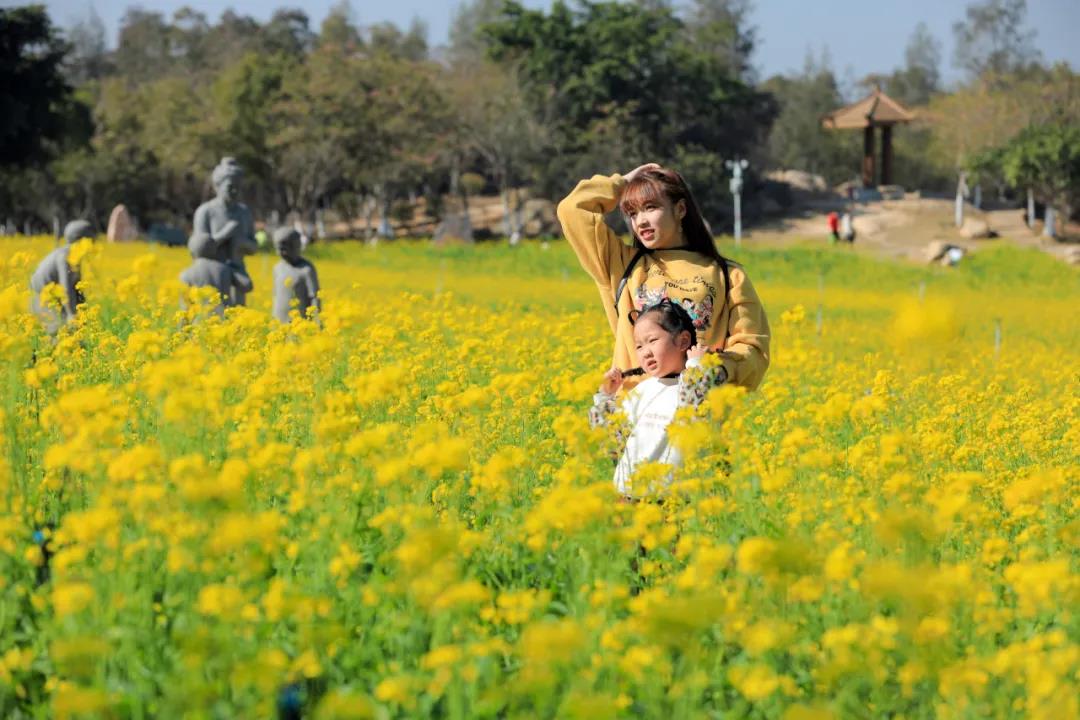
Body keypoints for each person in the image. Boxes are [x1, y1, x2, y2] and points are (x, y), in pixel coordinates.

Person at [557, 163, 769, 391]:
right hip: (635, 412)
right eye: (632, 213)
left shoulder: (728, 275)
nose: (641, 221)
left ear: (680, 209)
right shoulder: (622, 265)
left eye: (650, 207)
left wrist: (715, 371)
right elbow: (572, 210)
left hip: (698, 412)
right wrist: (623, 183)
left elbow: (752, 347)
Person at [589, 300, 725, 499]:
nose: (645, 351)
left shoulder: (701, 387)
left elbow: (696, 417)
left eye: (652, 340)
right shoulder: (642, 390)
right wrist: (604, 399)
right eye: (639, 346)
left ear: (683, 341)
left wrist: (696, 367)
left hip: (674, 502)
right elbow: (611, 444)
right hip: (627, 498)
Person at [182, 157, 257, 306]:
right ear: (217, 186)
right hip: (212, 271)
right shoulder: (205, 212)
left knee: (238, 317)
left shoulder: (244, 212)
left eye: (238, 187)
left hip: (237, 269)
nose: (234, 191)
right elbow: (200, 248)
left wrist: (243, 243)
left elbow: (253, 247)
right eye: (230, 187)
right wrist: (225, 234)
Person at [30, 220, 95, 330]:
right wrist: (71, 314)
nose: (94, 243)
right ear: (80, 239)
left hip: (55, 295)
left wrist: (84, 312)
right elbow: (66, 288)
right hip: (43, 296)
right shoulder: (65, 256)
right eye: (91, 239)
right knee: (56, 330)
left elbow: (76, 285)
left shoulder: (74, 255)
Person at [271, 227, 321, 324]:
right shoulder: (277, 268)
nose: (279, 253)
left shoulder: (306, 269)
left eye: (283, 249)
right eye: (277, 249)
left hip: (299, 324)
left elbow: (315, 298)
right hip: (279, 321)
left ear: (296, 246)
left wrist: (316, 321)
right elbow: (275, 295)